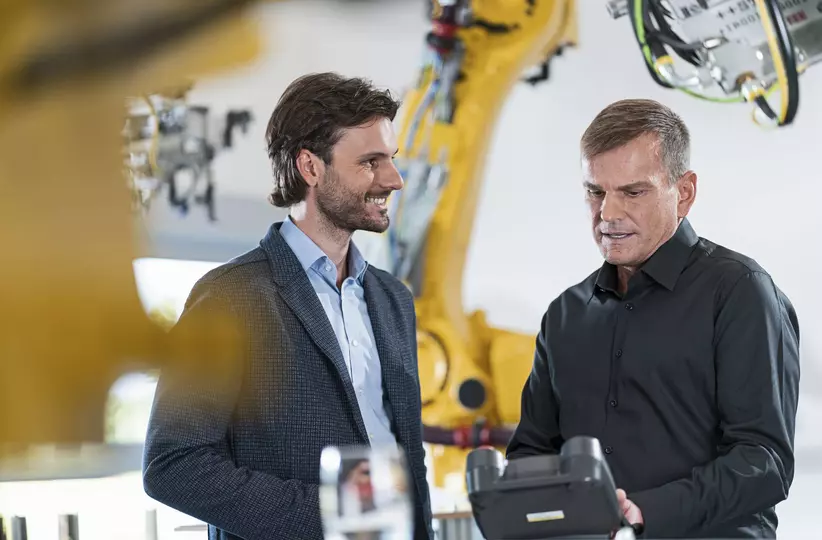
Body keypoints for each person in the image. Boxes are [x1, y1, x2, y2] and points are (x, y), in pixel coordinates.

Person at [142, 72, 434, 540]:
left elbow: (407, 457)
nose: (394, 180)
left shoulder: (393, 299)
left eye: (391, 159)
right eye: (371, 162)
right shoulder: (227, 298)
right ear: (310, 167)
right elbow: (174, 464)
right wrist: (333, 515)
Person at [506, 99, 800, 539]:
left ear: (684, 192)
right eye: (596, 192)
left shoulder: (740, 293)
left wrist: (645, 511)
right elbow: (532, 450)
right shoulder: (565, 315)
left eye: (633, 192)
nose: (608, 214)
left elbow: (764, 462)